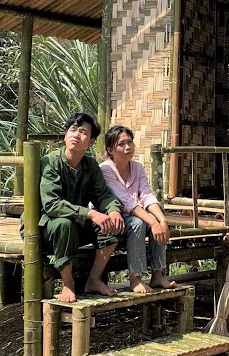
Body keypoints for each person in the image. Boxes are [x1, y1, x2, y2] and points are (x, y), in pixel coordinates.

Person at [40, 112, 125, 302]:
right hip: (48, 227)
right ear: (65, 135)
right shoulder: (50, 162)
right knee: (64, 224)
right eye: (72, 130)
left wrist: (113, 210)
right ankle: (67, 284)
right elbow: (52, 205)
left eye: (83, 132)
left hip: (78, 224)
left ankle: (94, 280)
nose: (76, 135)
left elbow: (103, 194)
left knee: (110, 227)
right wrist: (91, 213)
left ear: (92, 142)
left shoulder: (90, 165)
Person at [100, 124, 176, 293]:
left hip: (135, 212)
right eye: (121, 144)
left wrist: (161, 220)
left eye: (130, 142)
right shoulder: (105, 169)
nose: (128, 147)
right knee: (137, 223)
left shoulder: (137, 167)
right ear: (110, 150)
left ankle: (158, 275)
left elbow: (147, 195)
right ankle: (135, 278)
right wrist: (152, 221)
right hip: (114, 215)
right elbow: (126, 201)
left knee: (155, 222)